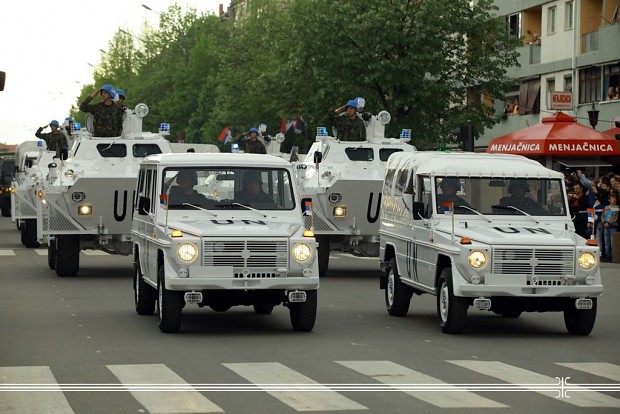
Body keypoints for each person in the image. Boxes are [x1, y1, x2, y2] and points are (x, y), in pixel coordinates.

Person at [601, 192, 618, 262]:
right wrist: (604, 222)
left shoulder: (617, 208)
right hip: (605, 226)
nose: (614, 199)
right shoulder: (606, 207)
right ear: (609, 200)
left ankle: (613, 257)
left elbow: (615, 217)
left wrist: (609, 223)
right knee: (606, 242)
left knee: (612, 242)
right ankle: (607, 256)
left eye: (615, 198)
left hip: (612, 226)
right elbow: (603, 216)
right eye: (612, 198)